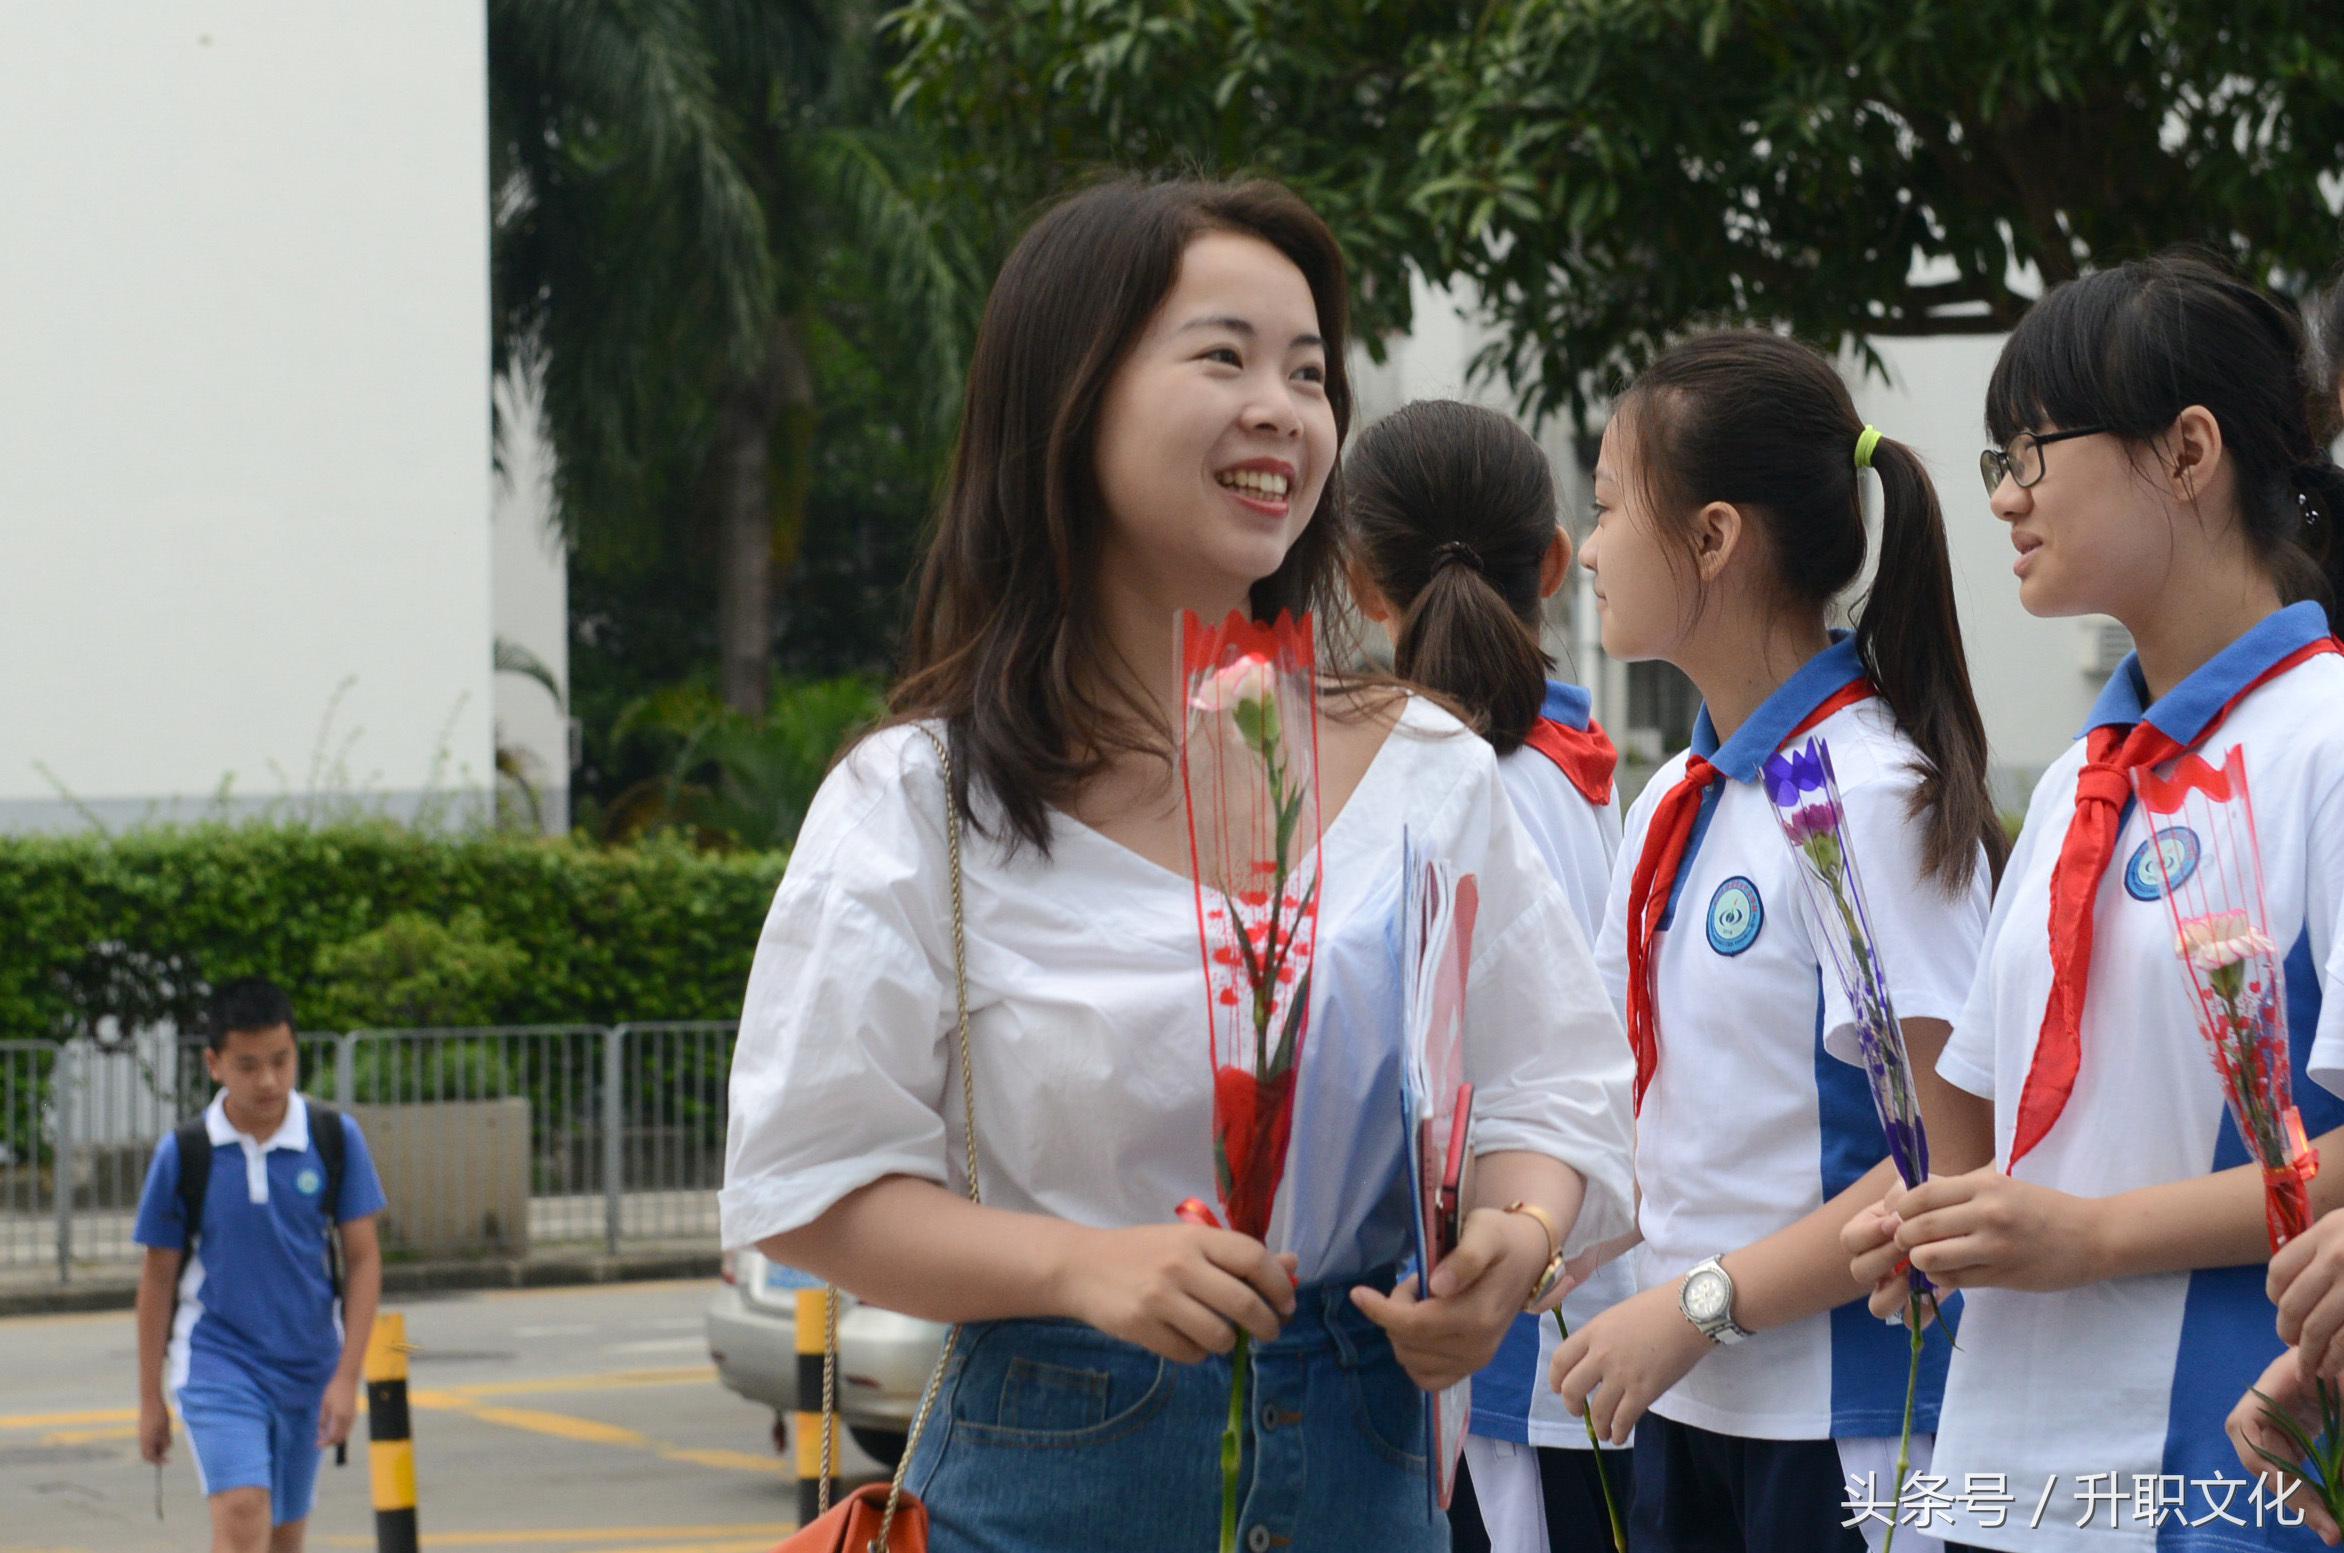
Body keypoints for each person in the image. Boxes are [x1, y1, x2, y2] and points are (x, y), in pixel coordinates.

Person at [718, 177, 1636, 1553]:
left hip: (1367, 1470)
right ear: (1070, 396)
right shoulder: (920, 797)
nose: (1284, 407)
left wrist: (1515, 1233)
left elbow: (1550, 1086)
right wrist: (1082, 1265)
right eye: (1225, 356)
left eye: (1311, 372)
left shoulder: (1428, 772)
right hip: (1048, 1475)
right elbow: (812, 1179)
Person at [1838, 251, 2344, 1550]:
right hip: (2011, 1466)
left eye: (2032, 449)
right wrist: (1945, 1227)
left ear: (2188, 453)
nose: (2005, 495)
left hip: (2220, 1468)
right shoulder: (2076, 776)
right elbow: (2028, 1147)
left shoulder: (2325, 739)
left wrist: (2087, 1234)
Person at [1558, 330, 2001, 1552]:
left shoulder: (1862, 795)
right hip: (1687, 1397)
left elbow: (1951, 1153)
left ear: (1712, 536)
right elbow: (1621, 1097)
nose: (1587, 547)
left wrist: (1704, 1302)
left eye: (1604, 509)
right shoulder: (1677, 798)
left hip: (1849, 1425)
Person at [1344, 397, 1634, 1553]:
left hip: (1514, 1366)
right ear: (1555, 563)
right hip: (1577, 1332)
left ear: (1359, 579)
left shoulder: (1445, 791)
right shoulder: (1589, 781)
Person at [134, 976, 387, 1553]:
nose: (268, 1080)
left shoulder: (332, 1138)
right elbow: (156, 1280)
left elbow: (364, 1260)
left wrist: (347, 1378)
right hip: (218, 1360)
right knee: (245, 1512)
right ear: (214, 1064)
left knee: (283, 1537)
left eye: (281, 1060)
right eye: (248, 1066)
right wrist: (150, 1398)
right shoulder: (186, 1152)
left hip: (309, 1365)